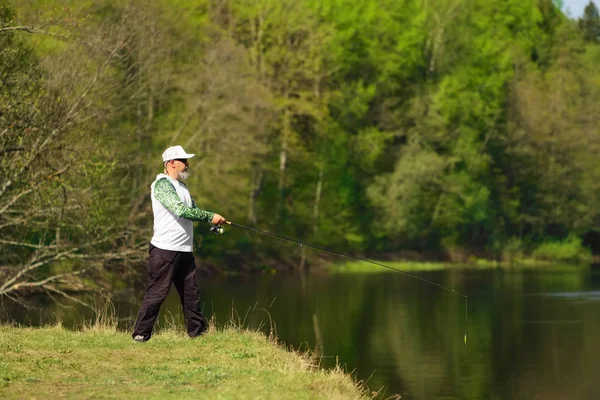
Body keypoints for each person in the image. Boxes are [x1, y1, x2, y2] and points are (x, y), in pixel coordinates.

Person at [132, 145, 226, 342]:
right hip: (164, 251)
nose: (187, 165)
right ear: (171, 163)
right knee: (157, 294)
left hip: (184, 250)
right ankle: (140, 334)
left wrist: (214, 220)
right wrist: (210, 216)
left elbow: (194, 210)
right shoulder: (162, 184)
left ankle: (197, 334)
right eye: (184, 161)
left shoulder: (182, 187)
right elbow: (181, 210)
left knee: (191, 295)